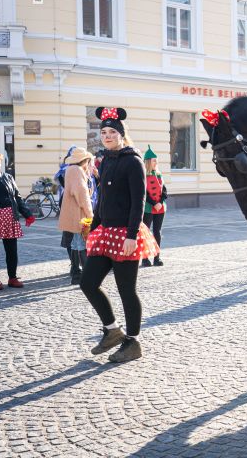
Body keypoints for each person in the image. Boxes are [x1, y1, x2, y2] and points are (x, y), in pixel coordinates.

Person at [80, 107, 159, 363]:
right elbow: (102, 199)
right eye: (103, 132)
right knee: (87, 283)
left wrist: (132, 235)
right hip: (105, 233)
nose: (107, 136)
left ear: (122, 135)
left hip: (126, 234)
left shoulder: (132, 160)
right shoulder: (105, 161)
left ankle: (133, 342)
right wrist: (94, 230)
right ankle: (112, 330)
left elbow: (139, 201)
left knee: (126, 290)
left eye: (112, 131)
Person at [0, 151, 35, 289]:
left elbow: (17, 197)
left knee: (12, 250)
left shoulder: (8, 177)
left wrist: (27, 213)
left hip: (9, 217)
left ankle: (12, 278)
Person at [58, 148, 94, 284]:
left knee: (75, 243)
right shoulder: (77, 171)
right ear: (84, 161)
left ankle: (76, 272)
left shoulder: (71, 169)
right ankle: (84, 275)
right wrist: (90, 213)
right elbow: (81, 194)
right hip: (78, 213)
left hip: (73, 212)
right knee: (80, 244)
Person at [55, 145, 79, 278]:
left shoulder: (77, 170)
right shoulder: (67, 170)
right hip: (69, 205)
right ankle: (75, 266)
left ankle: (76, 265)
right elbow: (68, 187)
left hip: (71, 205)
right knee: (71, 237)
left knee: (77, 238)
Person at [141, 145, 167, 267]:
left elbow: (165, 191)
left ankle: (157, 257)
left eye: (156, 160)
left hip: (160, 208)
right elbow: (144, 192)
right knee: (146, 233)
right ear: (148, 162)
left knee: (157, 232)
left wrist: (160, 202)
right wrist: (153, 203)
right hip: (148, 207)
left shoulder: (159, 174)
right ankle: (145, 258)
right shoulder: (143, 175)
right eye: (154, 160)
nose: (156, 162)